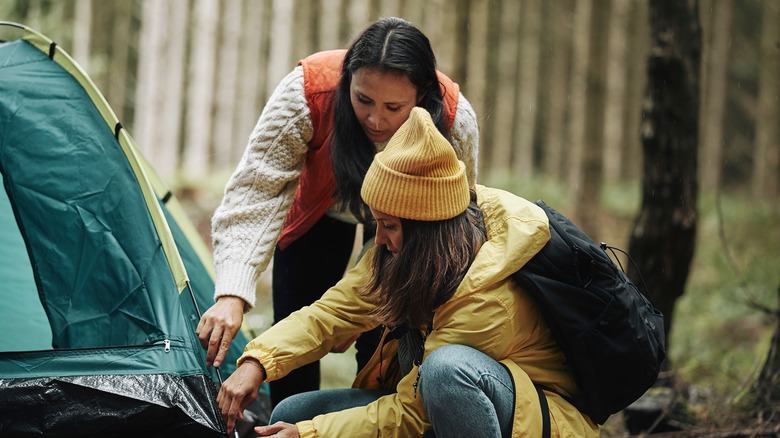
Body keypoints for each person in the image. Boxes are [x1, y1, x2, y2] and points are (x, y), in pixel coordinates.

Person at [216, 108, 600, 437]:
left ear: (426, 228)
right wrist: (258, 362)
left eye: (390, 225)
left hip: (529, 422)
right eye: (377, 222)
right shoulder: (404, 254)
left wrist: (313, 434)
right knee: (292, 413)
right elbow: (330, 313)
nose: (378, 238)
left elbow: (414, 411)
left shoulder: (488, 298)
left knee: (445, 371)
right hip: (431, 406)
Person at [195, 17, 479, 407]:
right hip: (321, 210)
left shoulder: (453, 118)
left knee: (383, 343)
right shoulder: (307, 93)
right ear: (346, 82)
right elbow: (255, 191)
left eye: (394, 107)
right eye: (363, 100)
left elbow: (456, 211)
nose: (376, 120)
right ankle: (289, 420)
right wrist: (232, 293)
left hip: (406, 227)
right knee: (297, 320)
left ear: (422, 97)